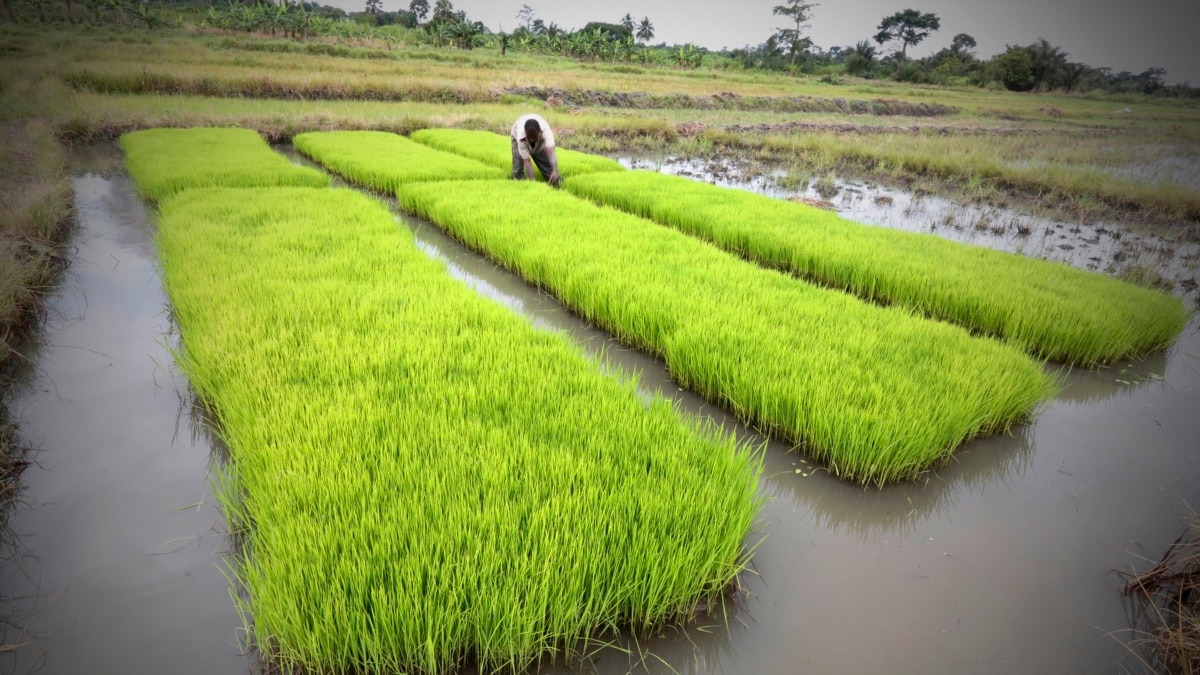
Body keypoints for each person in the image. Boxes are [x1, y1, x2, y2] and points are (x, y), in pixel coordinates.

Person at [510, 113, 561, 187]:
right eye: (530, 137)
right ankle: (519, 187)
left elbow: (551, 151)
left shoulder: (546, 131)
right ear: (525, 133)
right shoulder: (521, 136)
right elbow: (527, 161)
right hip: (516, 135)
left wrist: (555, 170)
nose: (532, 139)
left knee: (550, 171)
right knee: (518, 170)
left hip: (539, 141)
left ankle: (558, 186)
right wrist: (533, 183)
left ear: (539, 132)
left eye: (534, 137)